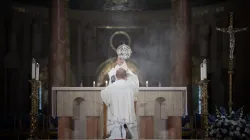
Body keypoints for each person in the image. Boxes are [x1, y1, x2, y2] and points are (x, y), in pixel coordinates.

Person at [101, 67, 139, 139]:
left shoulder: (111, 87)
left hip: (116, 122)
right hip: (129, 121)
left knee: (116, 137)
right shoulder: (131, 86)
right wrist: (129, 73)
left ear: (116, 76)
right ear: (126, 76)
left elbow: (103, 95)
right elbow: (136, 82)